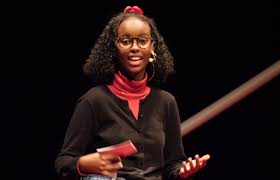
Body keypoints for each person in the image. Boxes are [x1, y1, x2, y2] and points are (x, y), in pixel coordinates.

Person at [55, 5, 210, 180]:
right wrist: (83, 164)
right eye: (126, 41)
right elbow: (63, 163)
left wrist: (182, 172)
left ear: (152, 47)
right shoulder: (94, 100)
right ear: (114, 48)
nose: (134, 47)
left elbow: (172, 164)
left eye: (142, 40)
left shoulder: (166, 102)